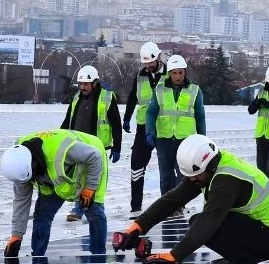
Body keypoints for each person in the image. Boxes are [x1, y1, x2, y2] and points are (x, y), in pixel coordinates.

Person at [116, 134, 269, 264]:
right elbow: (172, 199)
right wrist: (137, 226)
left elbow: (209, 222)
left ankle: (253, 263)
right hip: (261, 228)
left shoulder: (226, 180)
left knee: (204, 226)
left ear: (210, 166)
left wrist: (175, 255)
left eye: (195, 176)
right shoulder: (205, 170)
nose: (192, 180)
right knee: (196, 222)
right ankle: (250, 258)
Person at [2, 129, 109, 257]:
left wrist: (90, 188)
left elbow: (94, 155)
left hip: (91, 163)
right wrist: (16, 236)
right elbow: (21, 201)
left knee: (95, 213)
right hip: (55, 178)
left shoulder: (60, 151)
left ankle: (99, 257)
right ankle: (37, 256)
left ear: (34, 164)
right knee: (42, 216)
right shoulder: (18, 162)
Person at [60, 65, 122, 222]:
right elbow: (68, 120)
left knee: (96, 181)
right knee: (79, 178)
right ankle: (78, 209)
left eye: (86, 84)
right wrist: (60, 138)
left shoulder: (107, 97)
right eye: (81, 84)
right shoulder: (76, 98)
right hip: (78, 146)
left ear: (95, 83)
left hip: (97, 148)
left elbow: (116, 123)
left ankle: (94, 209)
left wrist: (117, 147)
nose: (83, 87)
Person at [145, 54, 206, 201]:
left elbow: (200, 117)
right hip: (164, 139)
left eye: (180, 72)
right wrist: (150, 132)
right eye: (174, 73)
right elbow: (151, 113)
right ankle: (166, 205)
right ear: (169, 73)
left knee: (183, 175)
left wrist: (202, 140)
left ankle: (178, 205)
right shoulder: (159, 90)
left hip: (186, 141)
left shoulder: (195, 90)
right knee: (165, 175)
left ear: (185, 72)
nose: (177, 76)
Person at [121, 42, 165, 218]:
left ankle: (172, 205)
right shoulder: (140, 75)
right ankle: (136, 206)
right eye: (145, 63)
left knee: (168, 169)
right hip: (143, 126)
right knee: (136, 165)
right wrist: (127, 117)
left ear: (158, 58)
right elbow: (133, 96)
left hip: (165, 127)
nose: (148, 66)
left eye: (151, 63)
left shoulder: (171, 74)